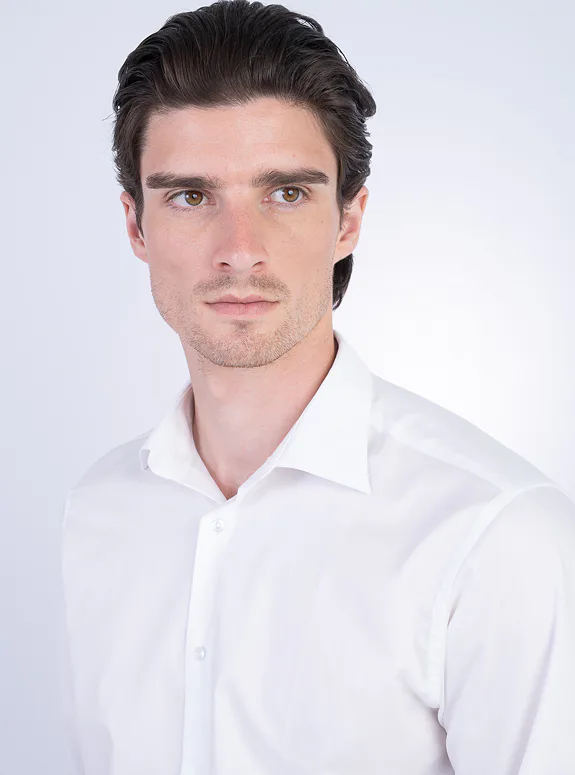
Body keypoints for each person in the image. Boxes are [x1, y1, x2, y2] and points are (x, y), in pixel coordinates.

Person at [59, 1, 575, 773]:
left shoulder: (496, 537)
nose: (240, 251)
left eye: (286, 193)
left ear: (348, 219)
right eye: (191, 196)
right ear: (136, 225)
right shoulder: (99, 511)